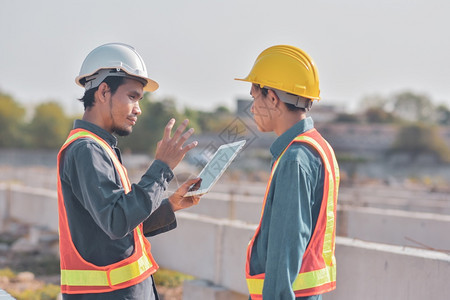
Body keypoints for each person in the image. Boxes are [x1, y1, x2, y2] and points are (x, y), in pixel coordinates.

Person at [57, 43, 202, 299]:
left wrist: (170, 206)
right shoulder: (86, 150)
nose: (138, 109)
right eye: (132, 97)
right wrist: (162, 168)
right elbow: (117, 221)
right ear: (103, 92)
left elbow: (117, 229)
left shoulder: (100, 148)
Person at [235, 45, 340, 300]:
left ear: (272, 98)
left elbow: (286, 247)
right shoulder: (318, 147)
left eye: (254, 96)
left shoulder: (295, 159)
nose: (251, 108)